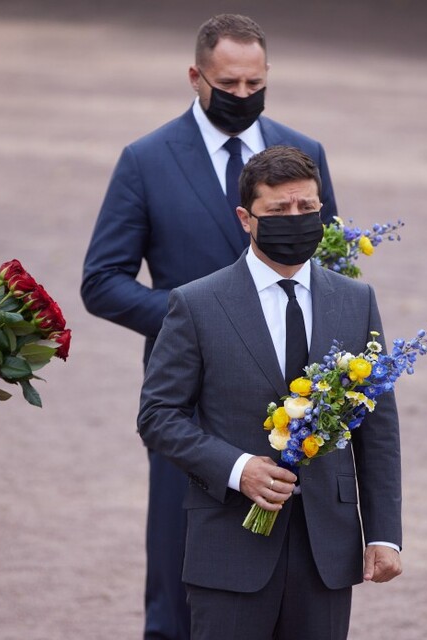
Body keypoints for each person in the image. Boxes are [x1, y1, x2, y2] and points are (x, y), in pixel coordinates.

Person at [81, 14, 338, 639]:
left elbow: (326, 266)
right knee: (180, 568)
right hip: (188, 402)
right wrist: (195, 320)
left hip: (294, 399)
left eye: (255, 84)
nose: (243, 95)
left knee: (293, 570)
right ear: (196, 76)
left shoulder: (305, 153)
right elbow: (102, 280)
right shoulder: (145, 160)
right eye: (228, 84)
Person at [137, 146, 402, 640]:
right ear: (246, 218)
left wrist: (385, 534)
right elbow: (158, 415)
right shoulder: (197, 304)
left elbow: (378, 427)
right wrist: (238, 469)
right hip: (229, 547)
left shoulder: (356, 300)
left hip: (327, 553)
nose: (295, 218)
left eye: (307, 207)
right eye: (279, 210)